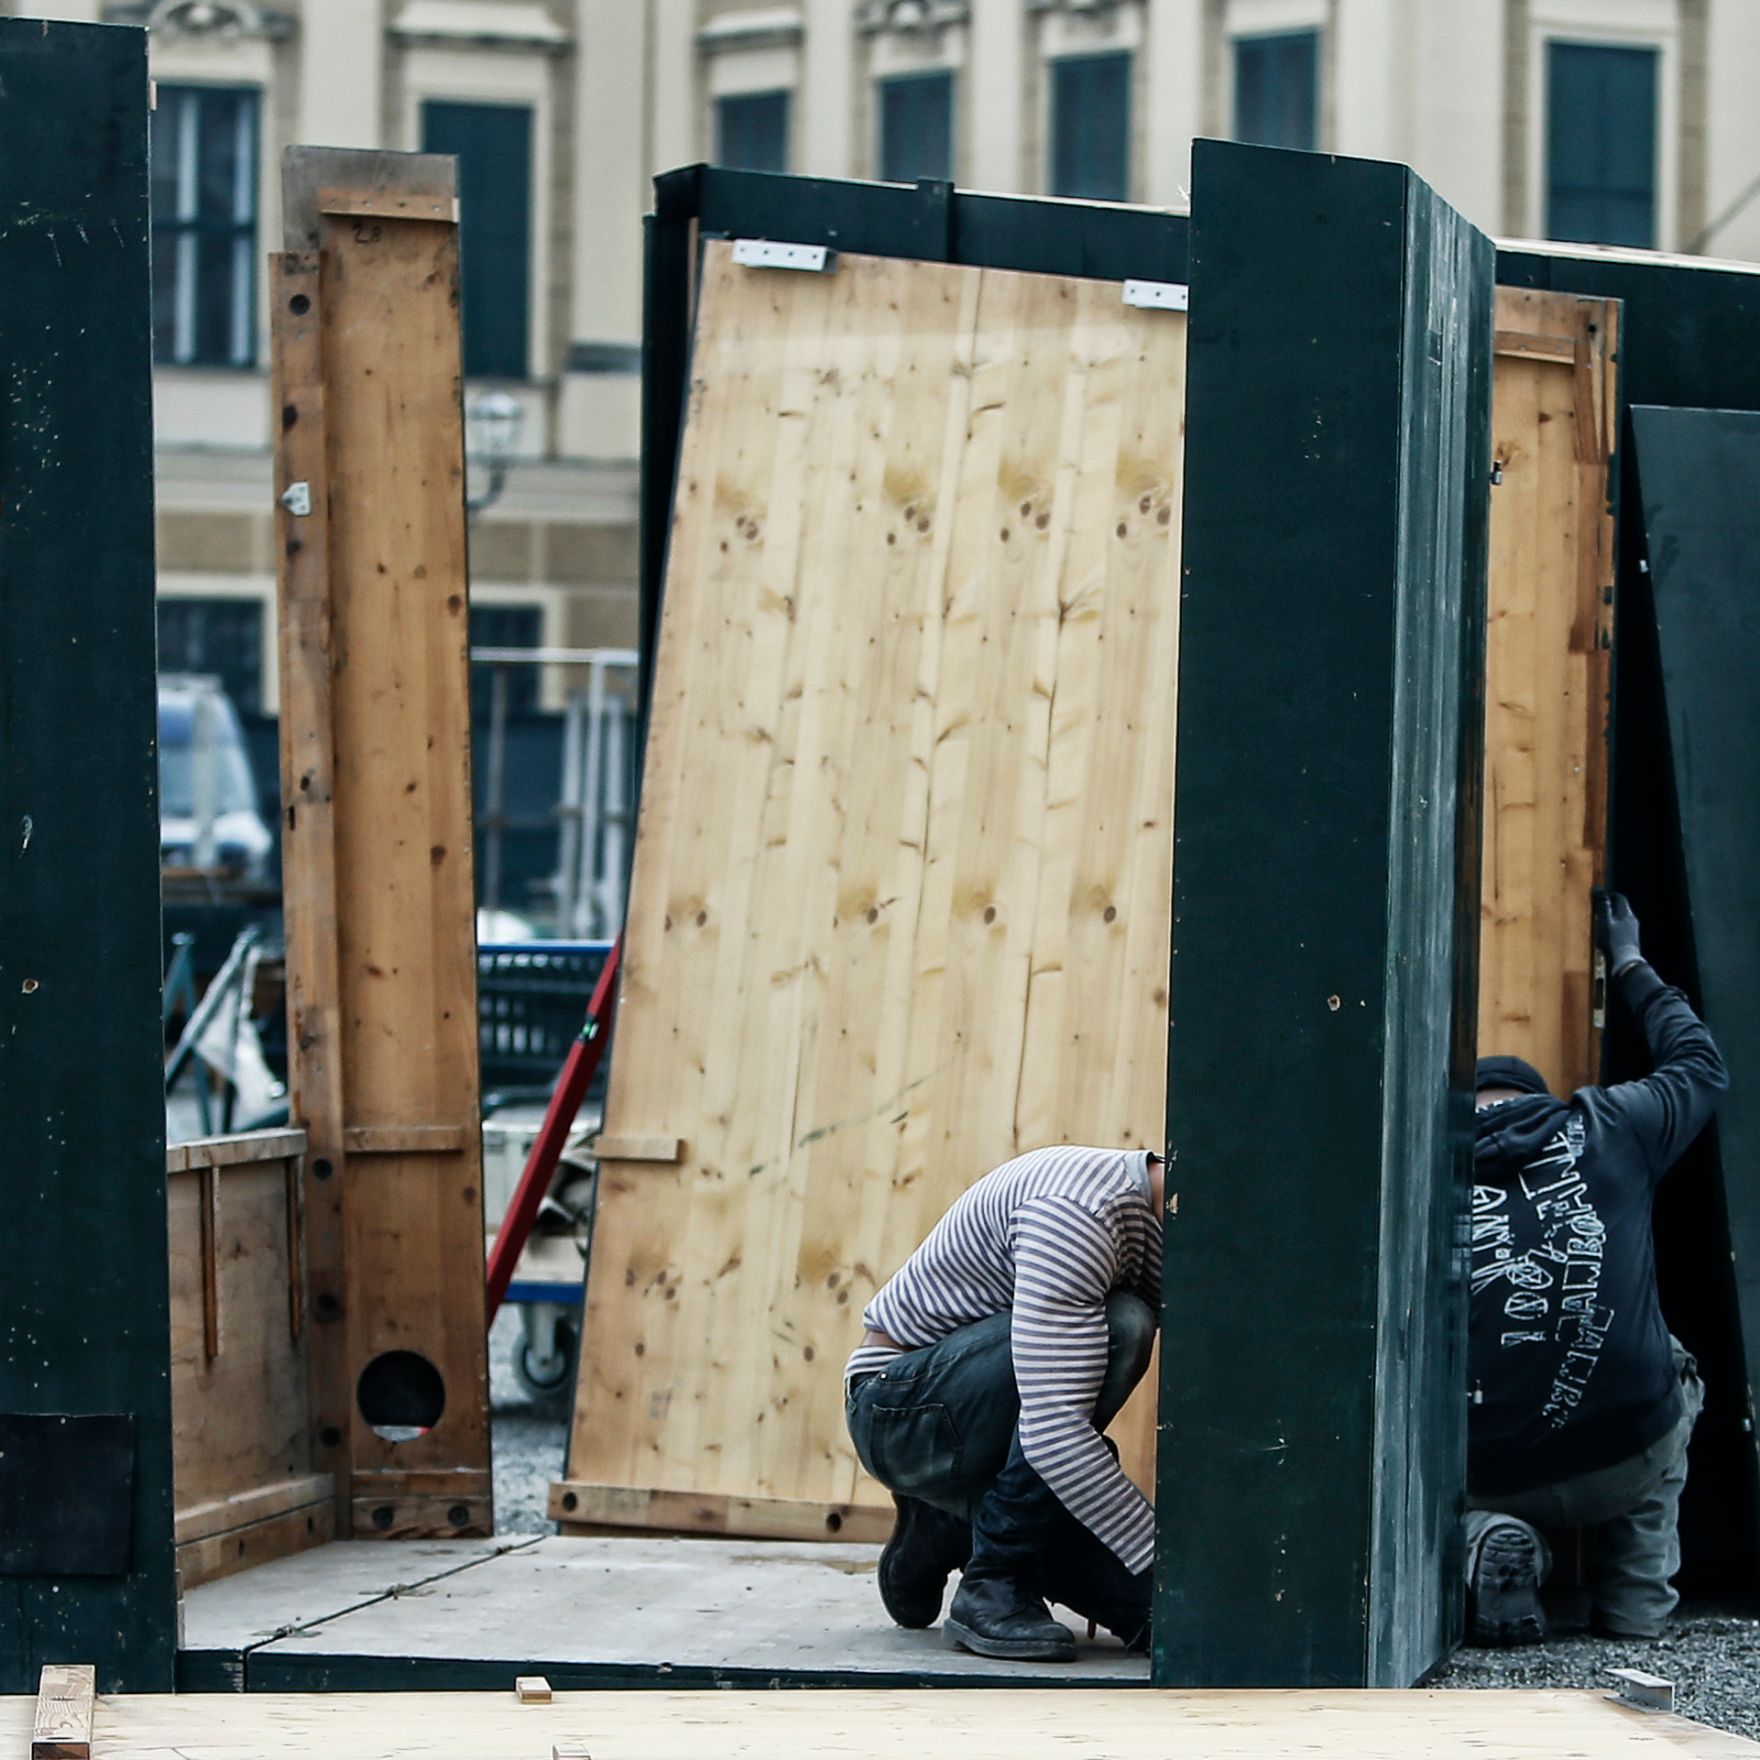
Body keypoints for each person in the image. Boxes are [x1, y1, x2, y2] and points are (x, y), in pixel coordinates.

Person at [1466, 889, 1726, 1645]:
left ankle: (1489, 1539)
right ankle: (1636, 1606)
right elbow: (1702, 1067)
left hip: (1487, 1471)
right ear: (1534, 1102)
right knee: (1672, 1366)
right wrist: (1632, 963)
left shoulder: (1422, 1167)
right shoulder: (1609, 1123)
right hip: (1624, 1458)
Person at [844, 1144, 1163, 1662]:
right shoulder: (1076, 1214)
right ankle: (992, 1580)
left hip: (979, 1424)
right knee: (1121, 1325)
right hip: (897, 1411)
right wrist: (1168, 1564)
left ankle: (949, 1520)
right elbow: (1055, 1431)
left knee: (1151, 1613)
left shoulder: (1165, 1217)